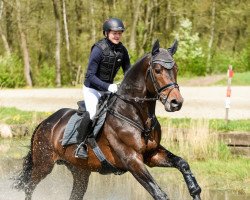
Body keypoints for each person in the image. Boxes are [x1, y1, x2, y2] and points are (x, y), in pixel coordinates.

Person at [75, 17, 131, 159]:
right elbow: (90, 76)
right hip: (92, 89)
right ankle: (80, 145)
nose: (117, 35)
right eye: (114, 33)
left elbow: (128, 72)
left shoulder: (122, 50)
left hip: (109, 89)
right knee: (93, 113)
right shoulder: (98, 50)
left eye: (119, 33)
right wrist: (108, 86)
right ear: (106, 33)